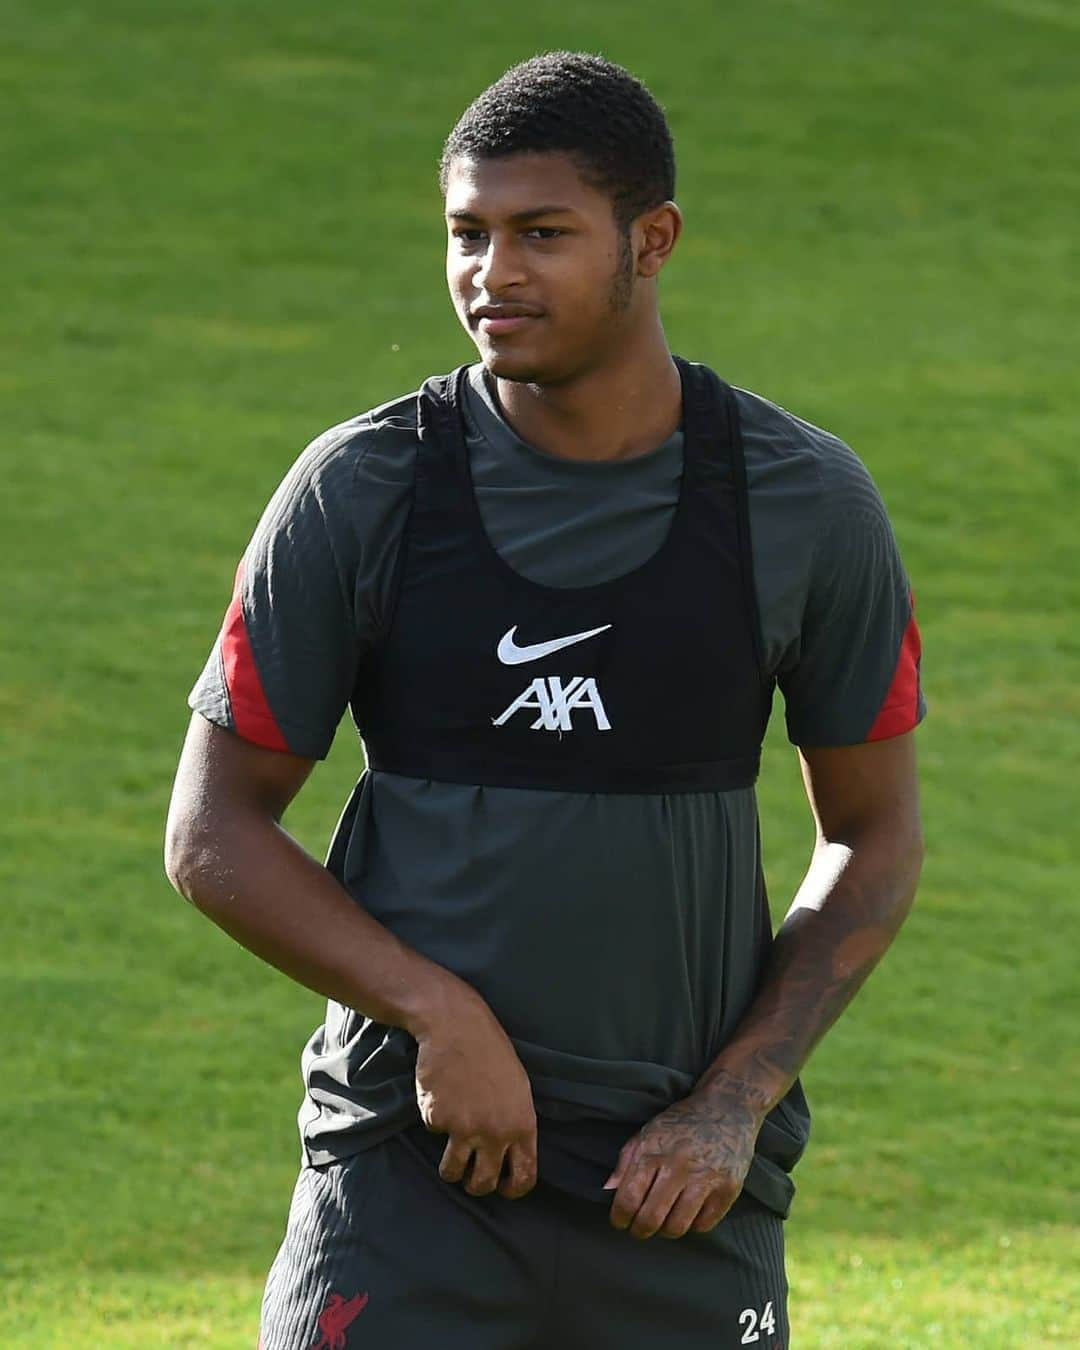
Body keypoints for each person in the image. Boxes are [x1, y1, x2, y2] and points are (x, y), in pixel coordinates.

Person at [165, 51, 925, 1350]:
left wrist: (734, 1099)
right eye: (467, 233)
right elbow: (212, 833)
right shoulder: (363, 490)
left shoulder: (802, 501)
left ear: (654, 238)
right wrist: (434, 1010)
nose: (491, 275)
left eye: (542, 234)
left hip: (679, 1191)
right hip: (407, 1173)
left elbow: (871, 835)